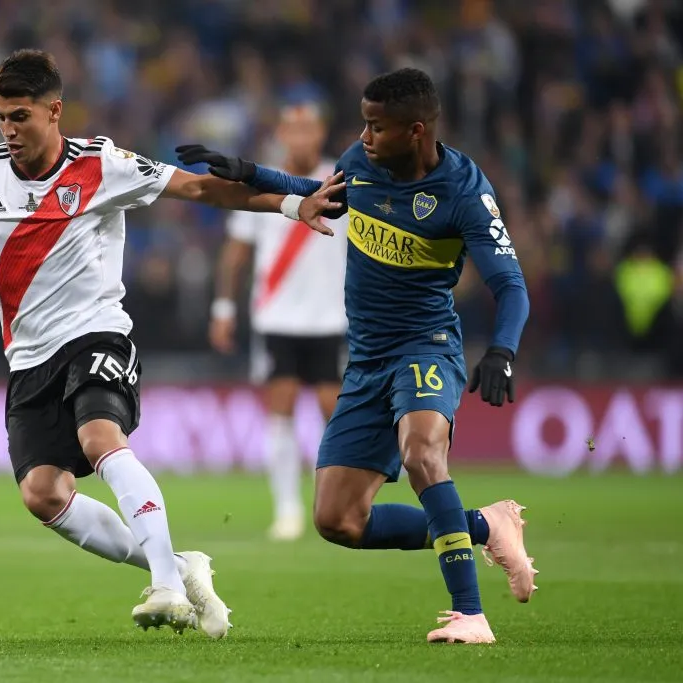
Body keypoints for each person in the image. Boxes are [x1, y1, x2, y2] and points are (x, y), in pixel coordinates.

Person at [0, 49, 343, 638]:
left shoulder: (102, 163)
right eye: (1, 118)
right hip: (29, 357)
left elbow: (197, 189)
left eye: (21, 116)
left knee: (98, 437)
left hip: (97, 334)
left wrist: (294, 202)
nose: (9, 130)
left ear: (54, 110)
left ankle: (166, 588)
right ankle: (177, 565)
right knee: (43, 494)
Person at [177, 68, 536, 644]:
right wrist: (248, 172)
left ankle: (470, 613)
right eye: (363, 124)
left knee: (423, 456)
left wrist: (501, 350)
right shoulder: (362, 162)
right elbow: (311, 187)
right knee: (338, 521)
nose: (364, 138)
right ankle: (484, 524)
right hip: (366, 359)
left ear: (416, 130)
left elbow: (511, 285)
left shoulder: (465, 192)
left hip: (426, 346)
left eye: (376, 127)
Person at [206, 102, 347, 541]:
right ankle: (287, 510)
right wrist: (223, 308)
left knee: (335, 414)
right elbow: (236, 253)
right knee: (280, 408)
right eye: (293, 129)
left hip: (332, 317)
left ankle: (334, 505)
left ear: (320, 133)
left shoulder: (343, 182)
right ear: (282, 134)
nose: (301, 137)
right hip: (278, 316)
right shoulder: (262, 181)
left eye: (309, 129)